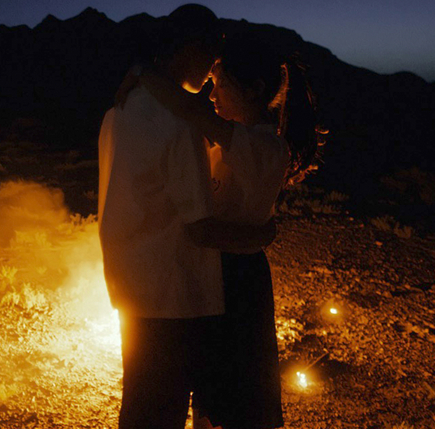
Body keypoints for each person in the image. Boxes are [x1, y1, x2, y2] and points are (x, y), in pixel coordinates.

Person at [122, 31, 323, 429]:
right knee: (210, 397)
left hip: (238, 284)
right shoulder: (227, 143)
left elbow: (188, 110)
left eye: (221, 84)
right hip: (216, 276)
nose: (211, 95)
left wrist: (144, 74)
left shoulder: (264, 147)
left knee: (236, 400)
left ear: (254, 89)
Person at [98, 5, 278, 429]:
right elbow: (199, 226)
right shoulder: (178, 124)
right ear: (192, 48)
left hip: (130, 282)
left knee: (144, 404)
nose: (212, 79)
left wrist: (142, 73)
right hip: (172, 292)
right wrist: (261, 236)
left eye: (222, 76)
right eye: (212, 59)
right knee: (164, 409)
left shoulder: (116, 111)